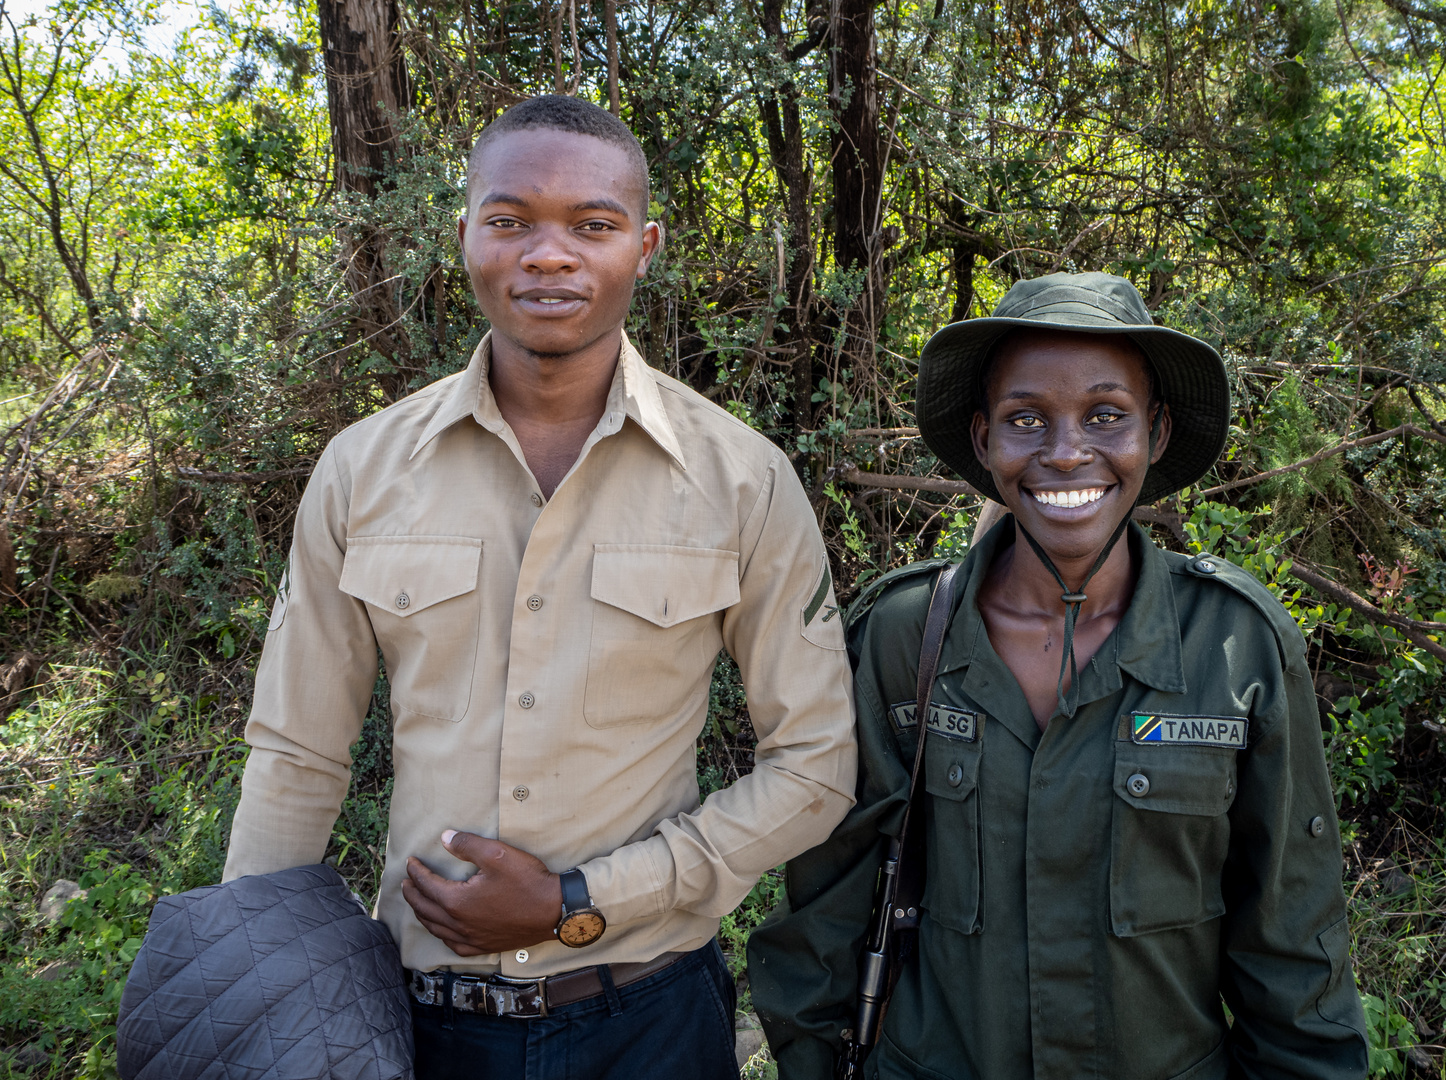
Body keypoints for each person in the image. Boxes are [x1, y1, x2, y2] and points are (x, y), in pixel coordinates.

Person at [222, 95, 858, 1079]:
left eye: (591, 226)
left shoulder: (743, 479)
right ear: (464, 233)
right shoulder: (361, 472)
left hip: (649, 1020)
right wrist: (252, 988)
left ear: (642, 246)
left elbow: (814, 769)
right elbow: (298, 753)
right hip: (420, 1022)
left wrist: (581, 901)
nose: (549, 254)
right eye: (511, 219)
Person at [747, 272, 1369, 1079]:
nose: (1067, 450)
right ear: (983, 440)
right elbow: (825, 913)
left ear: (1156, 429)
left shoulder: (1236, 648)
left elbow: (1294, 944)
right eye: (1026, 419)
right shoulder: (905, 637)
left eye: (1107, 415)